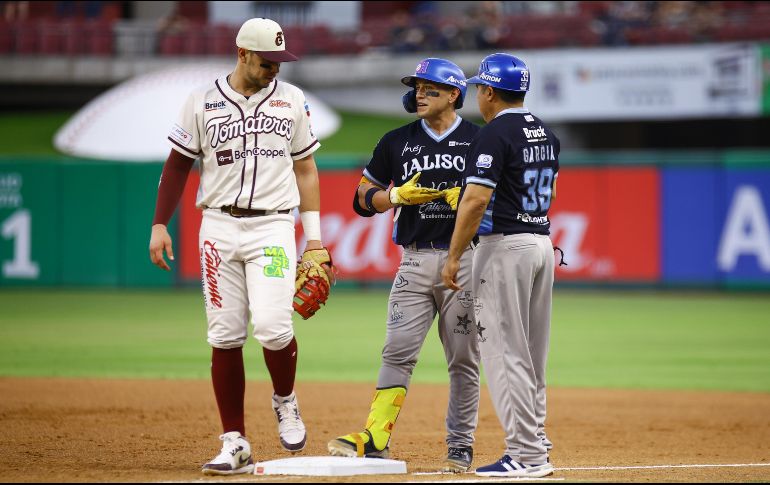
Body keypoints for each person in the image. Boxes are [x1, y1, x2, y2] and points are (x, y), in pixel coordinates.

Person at [148, 18, 331, 476]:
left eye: (280, 62)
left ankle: (285, 401)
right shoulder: (202, 100)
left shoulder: (291, 100)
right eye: (267, 62)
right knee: (225, 335)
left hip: (272, 226)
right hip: (217, 227)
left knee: (272, 326)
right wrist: (159, 225)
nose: (275, 70)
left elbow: (306, 170)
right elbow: (176, 167)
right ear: (242, 53)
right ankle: (235, 441)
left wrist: (314, 239)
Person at [326, 58, 482, 473]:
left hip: (465, 261)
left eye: (430, 88)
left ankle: (461, 444)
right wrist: (392, 199)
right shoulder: (395, 141)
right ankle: (376, 437)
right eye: (416, 87)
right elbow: (361, 197)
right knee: (396, 352)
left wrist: (468, 202)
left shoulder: (480, 141)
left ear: (454, 94)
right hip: (413, 259)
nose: (420, 93)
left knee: (464, 358)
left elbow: (504, 200)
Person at [441, 53, 560, 478]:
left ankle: (527, 454)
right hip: (541, 242)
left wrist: (454, 255)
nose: (478, 96)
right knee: (532, 354)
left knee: (505, 353)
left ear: (489, 91)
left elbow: (475, 200)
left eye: (479, 89)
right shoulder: (546, 132)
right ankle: (537, 438)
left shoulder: (495, 134)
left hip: (505, 247)